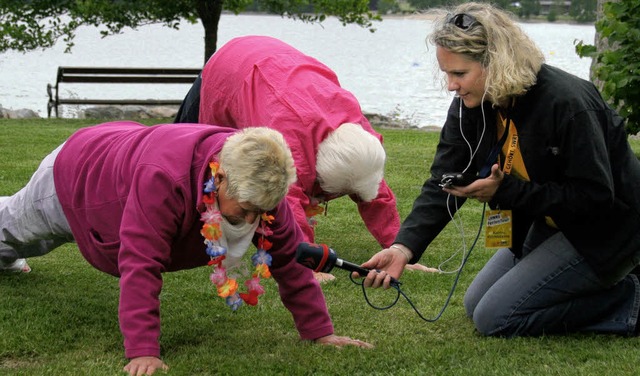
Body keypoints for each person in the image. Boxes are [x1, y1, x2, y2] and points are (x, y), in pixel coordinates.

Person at [0, 121, 373, 375]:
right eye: (244, 211)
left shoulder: (261, 183)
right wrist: (143, 351)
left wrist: (319, 332)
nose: (250, 221)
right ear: (220, 177)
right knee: (15, 231)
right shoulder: (162, 178)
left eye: (261, 212)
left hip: (126, 156)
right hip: (80, 171)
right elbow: (141, 262)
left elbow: (289, 257)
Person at [361, 2, 640, 339]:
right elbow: (442, 180)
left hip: (606, 230)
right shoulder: (474, 103)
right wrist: (402, 249)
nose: (451, 85)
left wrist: (505, 191)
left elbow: (595, 198)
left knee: (496, 318)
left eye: (459, 74)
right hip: (551, 223)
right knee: (475, 304)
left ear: (496, 63)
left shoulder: (567, 103)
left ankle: (630, 300)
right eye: (446, 73)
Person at [174, 35, 431, 282]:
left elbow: (375, 194)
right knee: (187, 156)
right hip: (231, 68)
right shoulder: (288, 139)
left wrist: (400, 251)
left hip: (278, 66)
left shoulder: (359, 138)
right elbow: (290, 201)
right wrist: (309, 264)